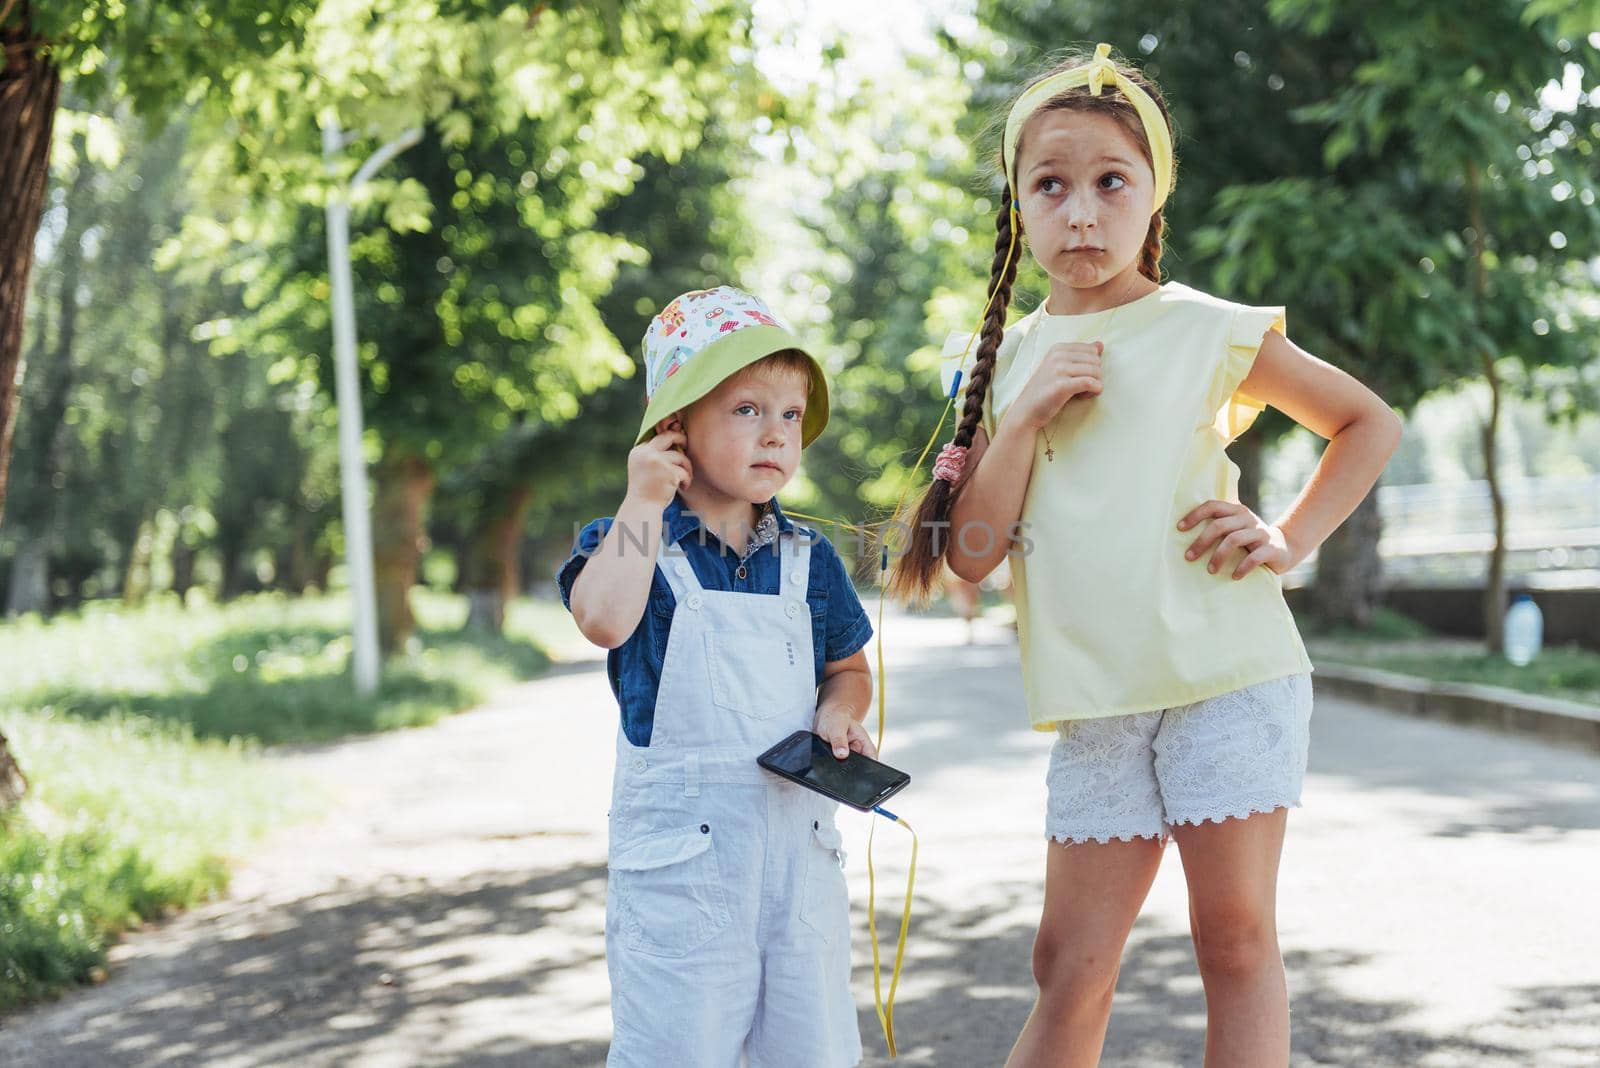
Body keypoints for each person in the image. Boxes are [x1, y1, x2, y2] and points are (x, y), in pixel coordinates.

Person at [888, 44, 1403, 1068]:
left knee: (1234, 939)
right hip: (1098, 705)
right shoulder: (1000, 365)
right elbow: (974, 559)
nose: (1081, 213)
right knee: (1066, 961)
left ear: (1151, 193)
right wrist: (1025, 416)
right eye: (1052, 186)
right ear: (1019, 207)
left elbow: (1365, 422)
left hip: (1228, 680)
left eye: (1109, 182)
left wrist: (1289, 536)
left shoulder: (1205, 329)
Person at [557, 285, 877, 1068]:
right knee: (678, 1048)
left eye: (791, 415)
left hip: (798, 867)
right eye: (745, 410)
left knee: (812, 1049)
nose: (775, 433)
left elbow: (849, 669)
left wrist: (840, 710)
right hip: (683, 877)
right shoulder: (627, 541)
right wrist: (642, 500)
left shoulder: (810, 558)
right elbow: (602, 620)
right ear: (674, 426)